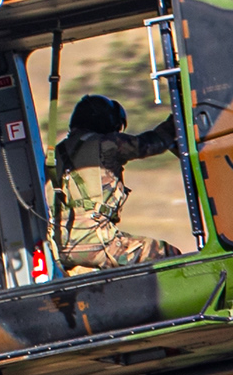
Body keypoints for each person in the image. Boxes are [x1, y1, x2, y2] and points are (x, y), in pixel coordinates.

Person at [52, 91, 182, 270]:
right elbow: (152, 143)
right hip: (98, 243)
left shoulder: (56, 153)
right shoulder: (106, 145)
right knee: (168, 254)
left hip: (61, 248)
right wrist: (176, 119)